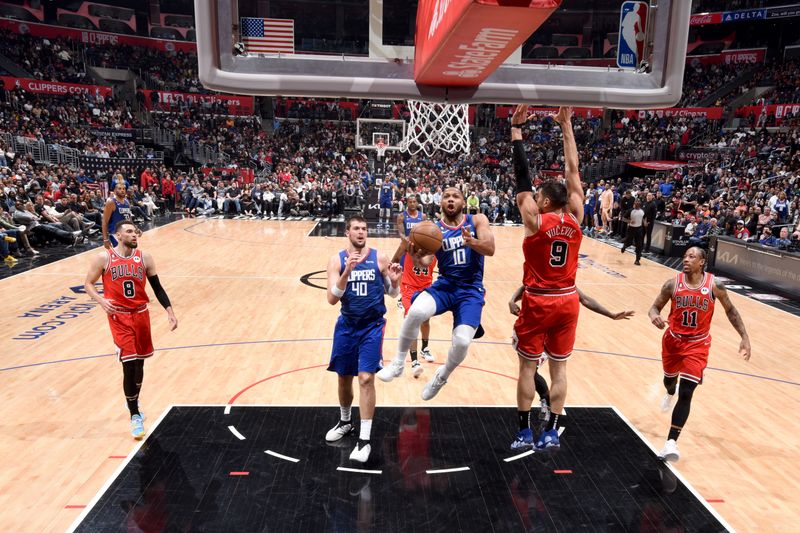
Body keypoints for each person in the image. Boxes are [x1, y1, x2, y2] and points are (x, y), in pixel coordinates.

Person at [508, 105, 583, 451]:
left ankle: (524, 432)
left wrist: (517, 131)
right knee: (560, 370)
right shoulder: (576, 216)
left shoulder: (535, 220)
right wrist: (566, 126)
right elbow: (573, 170)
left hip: (539, 300)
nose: (533, 197)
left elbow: (522, 178)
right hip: (568, 301)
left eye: (539, 196)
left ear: (546, 201)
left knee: (526, 368)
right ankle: (551, 431)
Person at [378, 186, 495, 400]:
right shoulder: (434, 231)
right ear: (440, 203)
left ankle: (441, 376)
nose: (450, 199)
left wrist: (473, 242)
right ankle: (398, 363)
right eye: (446, 196)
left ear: (463, 202)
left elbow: (490, 248)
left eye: (455, 196)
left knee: (462, 342)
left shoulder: (477, 220)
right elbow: (426, 262)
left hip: (470, 290)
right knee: (414, 312)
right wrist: (414, 256)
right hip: (446, 285)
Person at [648, 247, 751, 462]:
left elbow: (731, 310)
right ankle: (669, 392)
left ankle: (671, 442)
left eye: (691, 257)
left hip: (698, 345)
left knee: (687, 392)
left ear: (702, 262)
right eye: (685, 256)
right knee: (669, 381)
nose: (686, 259)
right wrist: (654, 316)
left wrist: (744, 336)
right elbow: (654, 308)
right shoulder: (672, 284)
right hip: (673, 341)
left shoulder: (714, 285)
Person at [84, 220, 178, 439]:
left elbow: (157, 287)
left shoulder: (145, 258)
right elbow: (88, 283)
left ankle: (133, 400)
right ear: (118, 235)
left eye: (135, 232)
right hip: (119, 316)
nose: (134, 235)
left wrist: (170, 311)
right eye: (129, 232)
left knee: (140, 363)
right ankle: (134, 414)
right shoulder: (104, 258)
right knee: (129, 363)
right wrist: (100, 300)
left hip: (141, 314)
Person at [509, 285, 634, 440]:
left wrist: (611, 314)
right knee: (538, 372)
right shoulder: (562, 285)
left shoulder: (554, 281)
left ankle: (542, 408)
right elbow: (584, 299)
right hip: (555, 323)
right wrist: (513, 299)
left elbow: (584, 298)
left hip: (547, 328)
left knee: (531, 371)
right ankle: (547, 408)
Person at [325, 216, 402, 463]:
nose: (361, 232)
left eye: (364, 229)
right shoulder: (336, 260)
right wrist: (347, 270)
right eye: (356, 229)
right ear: (347, 232)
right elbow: (332, 298)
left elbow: (391, 293)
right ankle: (345, 422)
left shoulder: (379, 257)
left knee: (366, 378)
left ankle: (364, 441)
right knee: (344, 376)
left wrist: (396, 283)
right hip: (347, 325)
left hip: (372, 326)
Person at [391, 195, 436, 377]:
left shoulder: (435, 248)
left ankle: (425, 348)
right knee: (413, 321)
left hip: (426, 287)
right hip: (409, 288)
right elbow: (394, 260)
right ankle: (414, 360)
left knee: (426, 320)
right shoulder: (408, 244)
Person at [103, 180, 133, 248]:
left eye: (123, 188)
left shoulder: (127, 202)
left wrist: (135, 228)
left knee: (129, 256)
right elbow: (104, 222)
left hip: (127, 234)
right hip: (115, 235)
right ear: (114, 190)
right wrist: (105, 239)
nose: (122, 190)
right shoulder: (111, 202)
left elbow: (129, 218)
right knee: (121, 256)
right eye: (119, 188)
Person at [621, 200, 645, 265]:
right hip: (631, 229)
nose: (637, 203)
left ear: (640, 204)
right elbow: (623, 218)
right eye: (636, 202)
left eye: (638, 202)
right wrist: (629, 221)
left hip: (639, 229)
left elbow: (643, 218)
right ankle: (624, 246)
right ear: (634, 203)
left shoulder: (642, 211)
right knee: (629, 242)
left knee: (639, 245)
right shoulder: (630, 211)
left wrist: (644, 223)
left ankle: (637, 260)